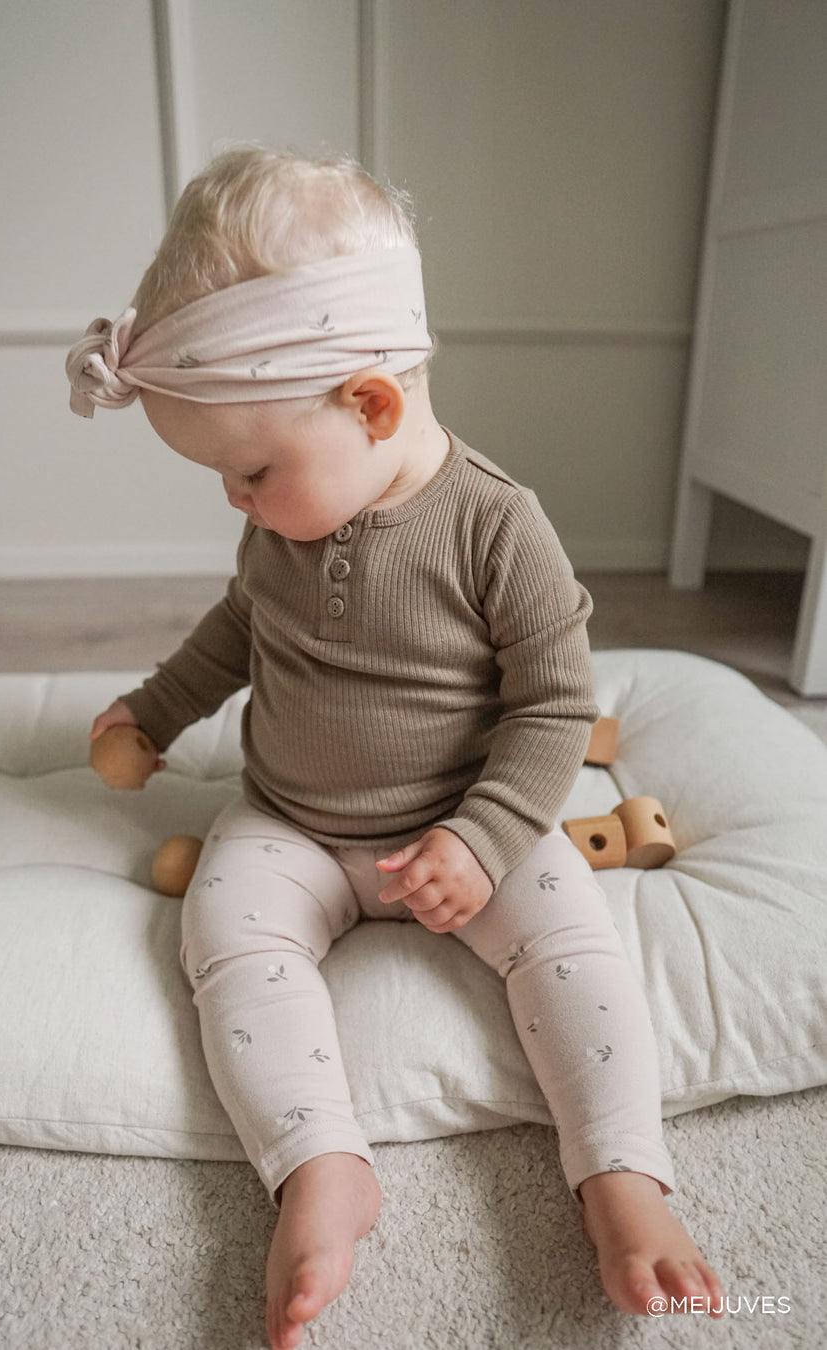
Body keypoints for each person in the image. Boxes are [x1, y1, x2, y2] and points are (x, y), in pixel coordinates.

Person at [67, 147, 723, 1350]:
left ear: (371, 406)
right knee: (227, 940)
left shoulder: (496, 525)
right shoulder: (281, 527)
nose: (236, 499)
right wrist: (155, 712)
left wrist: (485, 839)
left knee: (575, 944)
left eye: (250, 470)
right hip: (292, 821)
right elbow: (238, 631)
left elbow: (554, 707)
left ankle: (622, 1173)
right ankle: (319, 1164)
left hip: (467, 821)